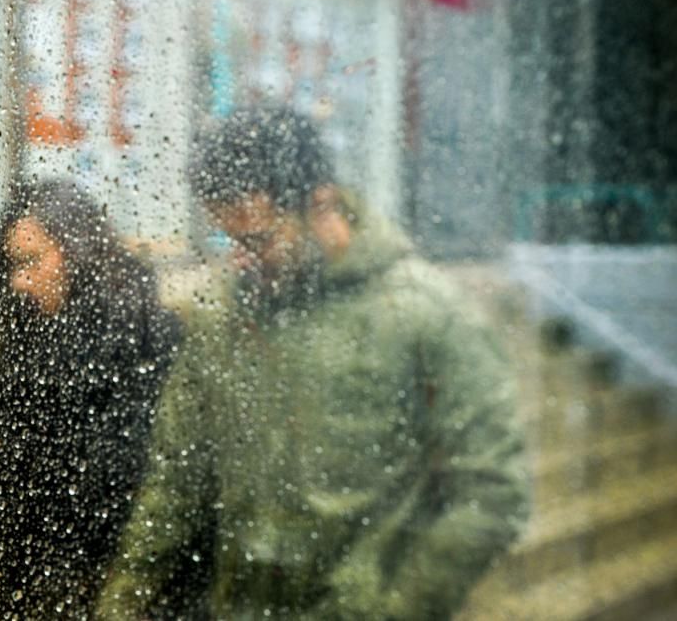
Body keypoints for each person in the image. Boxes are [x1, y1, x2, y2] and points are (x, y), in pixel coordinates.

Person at [97, 108, 529, 620]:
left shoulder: (426, 315)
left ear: (321, 204)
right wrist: (121, 603)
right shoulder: (225, 316)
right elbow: (177, 475)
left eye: (257, 240)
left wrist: (397, 608)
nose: (240, 260)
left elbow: (493, 490)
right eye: (228, 242)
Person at [0, 180, 183, 619]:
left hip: (101, 565)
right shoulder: (27, 328)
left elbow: (131, 466)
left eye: (32, 261)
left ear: (79, 252)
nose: (19, 280)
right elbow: (10, 426)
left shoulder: (145, 333)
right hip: (22, 556)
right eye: (12, 265)